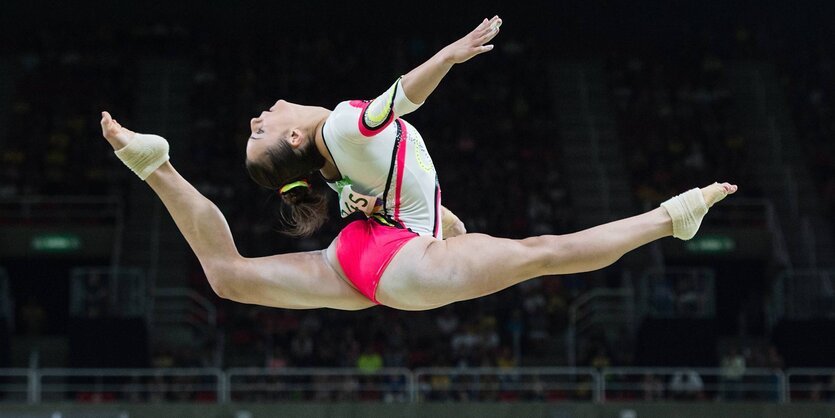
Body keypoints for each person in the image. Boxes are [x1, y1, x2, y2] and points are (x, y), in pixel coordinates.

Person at [99, 16, 737, 312]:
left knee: (227, 277)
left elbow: (395, 196)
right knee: (549, 252)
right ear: (293, 135)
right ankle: (669, 218)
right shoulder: (343, 125)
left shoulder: (333, 165)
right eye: (262, 129)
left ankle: (155, 167)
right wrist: (450, 55)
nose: (256, 117)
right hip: (398, 264)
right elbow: (399, 97)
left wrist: (426, 220)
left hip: (359, 260)